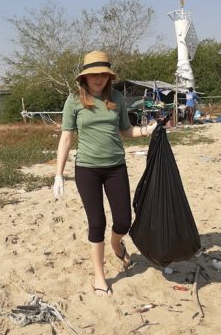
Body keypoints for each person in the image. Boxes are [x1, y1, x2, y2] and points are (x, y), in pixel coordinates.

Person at [52, 51, 159, 297]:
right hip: (87, 169)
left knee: (123, 220)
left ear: (108, 76)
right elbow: (66, 138)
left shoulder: (117, 97)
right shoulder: (74, 100)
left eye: (103, 74)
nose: (98, 79)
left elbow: (126, 130)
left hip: (115, 167)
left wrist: (147, 130)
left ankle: (116, 243)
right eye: (93, 74)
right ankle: (100, 276)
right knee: (97, 222)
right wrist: (59, 175)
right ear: (85, 78)